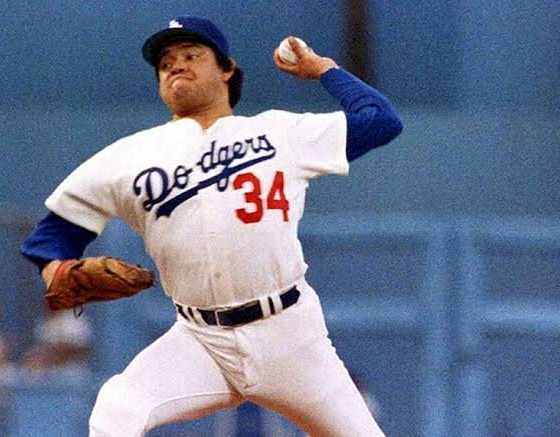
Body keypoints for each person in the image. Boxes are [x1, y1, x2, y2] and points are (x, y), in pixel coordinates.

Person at [20, 15, 402, 436]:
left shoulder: (280, 133)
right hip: (200, 340)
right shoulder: (127, 158)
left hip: (289, 335)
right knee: (117, 407)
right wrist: (56, 270)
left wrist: (323, 69)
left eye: (191, 55)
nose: (175, 65)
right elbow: (52, 234)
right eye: (165, 62)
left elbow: (380, 120)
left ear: (226, 70)